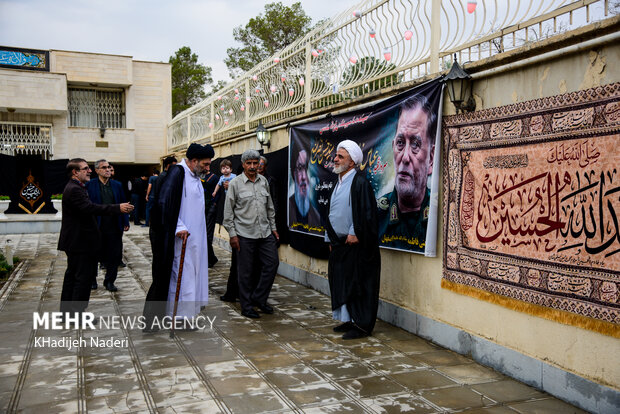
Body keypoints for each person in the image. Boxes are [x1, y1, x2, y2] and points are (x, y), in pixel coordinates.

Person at [142, 145, 213, 332]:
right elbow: (163, 202)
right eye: (205, 164)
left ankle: (186, 315)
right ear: (194, 161)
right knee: (182, 277)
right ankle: (180, 318)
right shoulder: (177, 173)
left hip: (196, 239)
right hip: (181, 239)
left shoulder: (195, 177)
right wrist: (179, 227)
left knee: (192, 276)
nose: (208, 168)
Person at [58, 158, 133, 316]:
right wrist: (117, 208)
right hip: (80, 242)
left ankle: (67, 313)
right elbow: (89, 208)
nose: (89, 171)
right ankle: (77, 314)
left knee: (72, 276)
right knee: (81, 279)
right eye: (85, 169)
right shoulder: (75, 189)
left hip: (77, 240)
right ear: (75, 172)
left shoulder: (77, 186)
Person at [325, 140, 380, 340]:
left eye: (341, 156)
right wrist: (330, 238)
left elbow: (365, 212)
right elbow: (331, 212)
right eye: (336, 155)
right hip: (340, 244)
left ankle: (362, 325)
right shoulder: (337, 182)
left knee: (359, 284)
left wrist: (354, 231)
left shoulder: (360, 182)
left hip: (356, 244)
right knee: (343, 282)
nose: (336, 158)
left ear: (352, 163)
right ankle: (348, 320)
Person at [223, 149, 279, 319]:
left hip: (265, 232)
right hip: (244, 234)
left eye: (256, 163)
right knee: (245, 272)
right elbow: (228, 213)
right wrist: (233, 235)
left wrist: (274, 228)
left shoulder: (264, 182)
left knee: (272, 264)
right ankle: (246, 306)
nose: (253, 167)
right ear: (243, 165)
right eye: (249, 163)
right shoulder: (235, 183)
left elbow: (269, 208)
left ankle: (259, 299)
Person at [377, 94, 437, 252]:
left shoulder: (439, 215)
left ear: (431, 158)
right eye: (400, 143)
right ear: (393, 147)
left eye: (416, 144)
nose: (404, 158)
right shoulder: (376, 215)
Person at [86, 159, 130, 292]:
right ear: (97, 170)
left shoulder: (117, 185)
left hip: (114, 225)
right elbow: (87, 206)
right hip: (96, 225)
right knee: (93, 254)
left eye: (109, 167)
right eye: (104, 167)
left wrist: (125, 221)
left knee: (114, 254)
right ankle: (92, 279)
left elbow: (123, 203)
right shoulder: (90, 185)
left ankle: (110, 281)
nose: (107, 170)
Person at [288, 145, 320, 230]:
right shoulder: (287, 209)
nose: (304, 177)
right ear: (293, 173)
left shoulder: (316, 216)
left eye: (306, 168)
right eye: (300, 168)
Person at [202, 168, 220, 268]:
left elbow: (218, 193)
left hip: (210, 209)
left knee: (208, 235)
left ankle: (211, 258)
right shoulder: (199, 177)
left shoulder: (214, 178)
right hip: (202, 209)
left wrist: (214, 204)